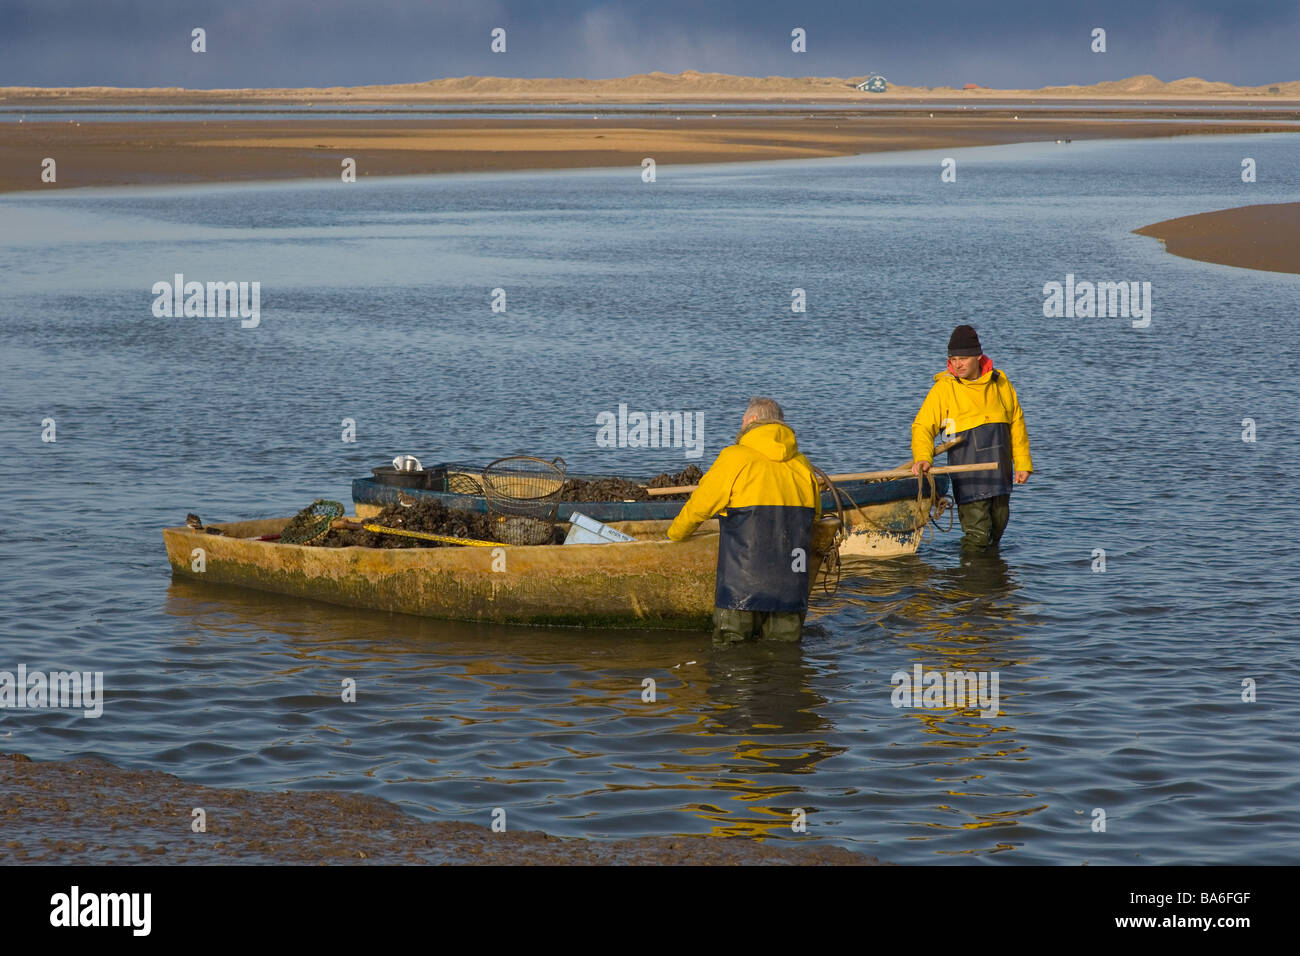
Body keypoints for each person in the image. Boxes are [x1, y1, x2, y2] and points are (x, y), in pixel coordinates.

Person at [667, 397, 821, 644]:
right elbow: (817, 517)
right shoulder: (803, 465)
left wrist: (674, 534)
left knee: (732, 660)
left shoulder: (734, 458)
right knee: (786, 661)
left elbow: (699, 507)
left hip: (741, 588)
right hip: (791, 589)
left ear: (752, 420)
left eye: (742, 420)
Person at [910, 325, 1032, 551]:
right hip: (968, 478)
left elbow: (1017, 423)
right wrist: (923, 457)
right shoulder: (944, 389)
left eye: (963, 358)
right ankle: (969, 581)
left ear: (978, 356)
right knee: (977, 535)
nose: (957, 364)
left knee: (997, 530)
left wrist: (1023, 463)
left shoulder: (1001, 383)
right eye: (953, 358)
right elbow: (922, 426)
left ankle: (993, 582)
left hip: (1000, 475)